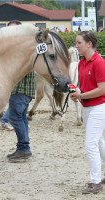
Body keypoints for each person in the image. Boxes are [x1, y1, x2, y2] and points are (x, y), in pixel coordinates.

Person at [70, 31, 105, 194]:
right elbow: (84, 86)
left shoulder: (99, 62)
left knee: (90, 144)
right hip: (87, 107)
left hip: (99, 107)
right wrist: (76, 92)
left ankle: (95, 181)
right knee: (97, 141)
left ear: (89, 44)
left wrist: (81, 95)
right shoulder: (81, 63)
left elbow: (102, 89)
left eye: (79, 43)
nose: (76, 46)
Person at [0, 20, 36, 162]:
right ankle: (25, 148)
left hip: (20, 88)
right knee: (22, 118)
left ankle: (23, 148)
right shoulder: (25, 46)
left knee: (15, 118)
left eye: (13, 30)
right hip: (25, 89)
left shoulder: (21, 49)